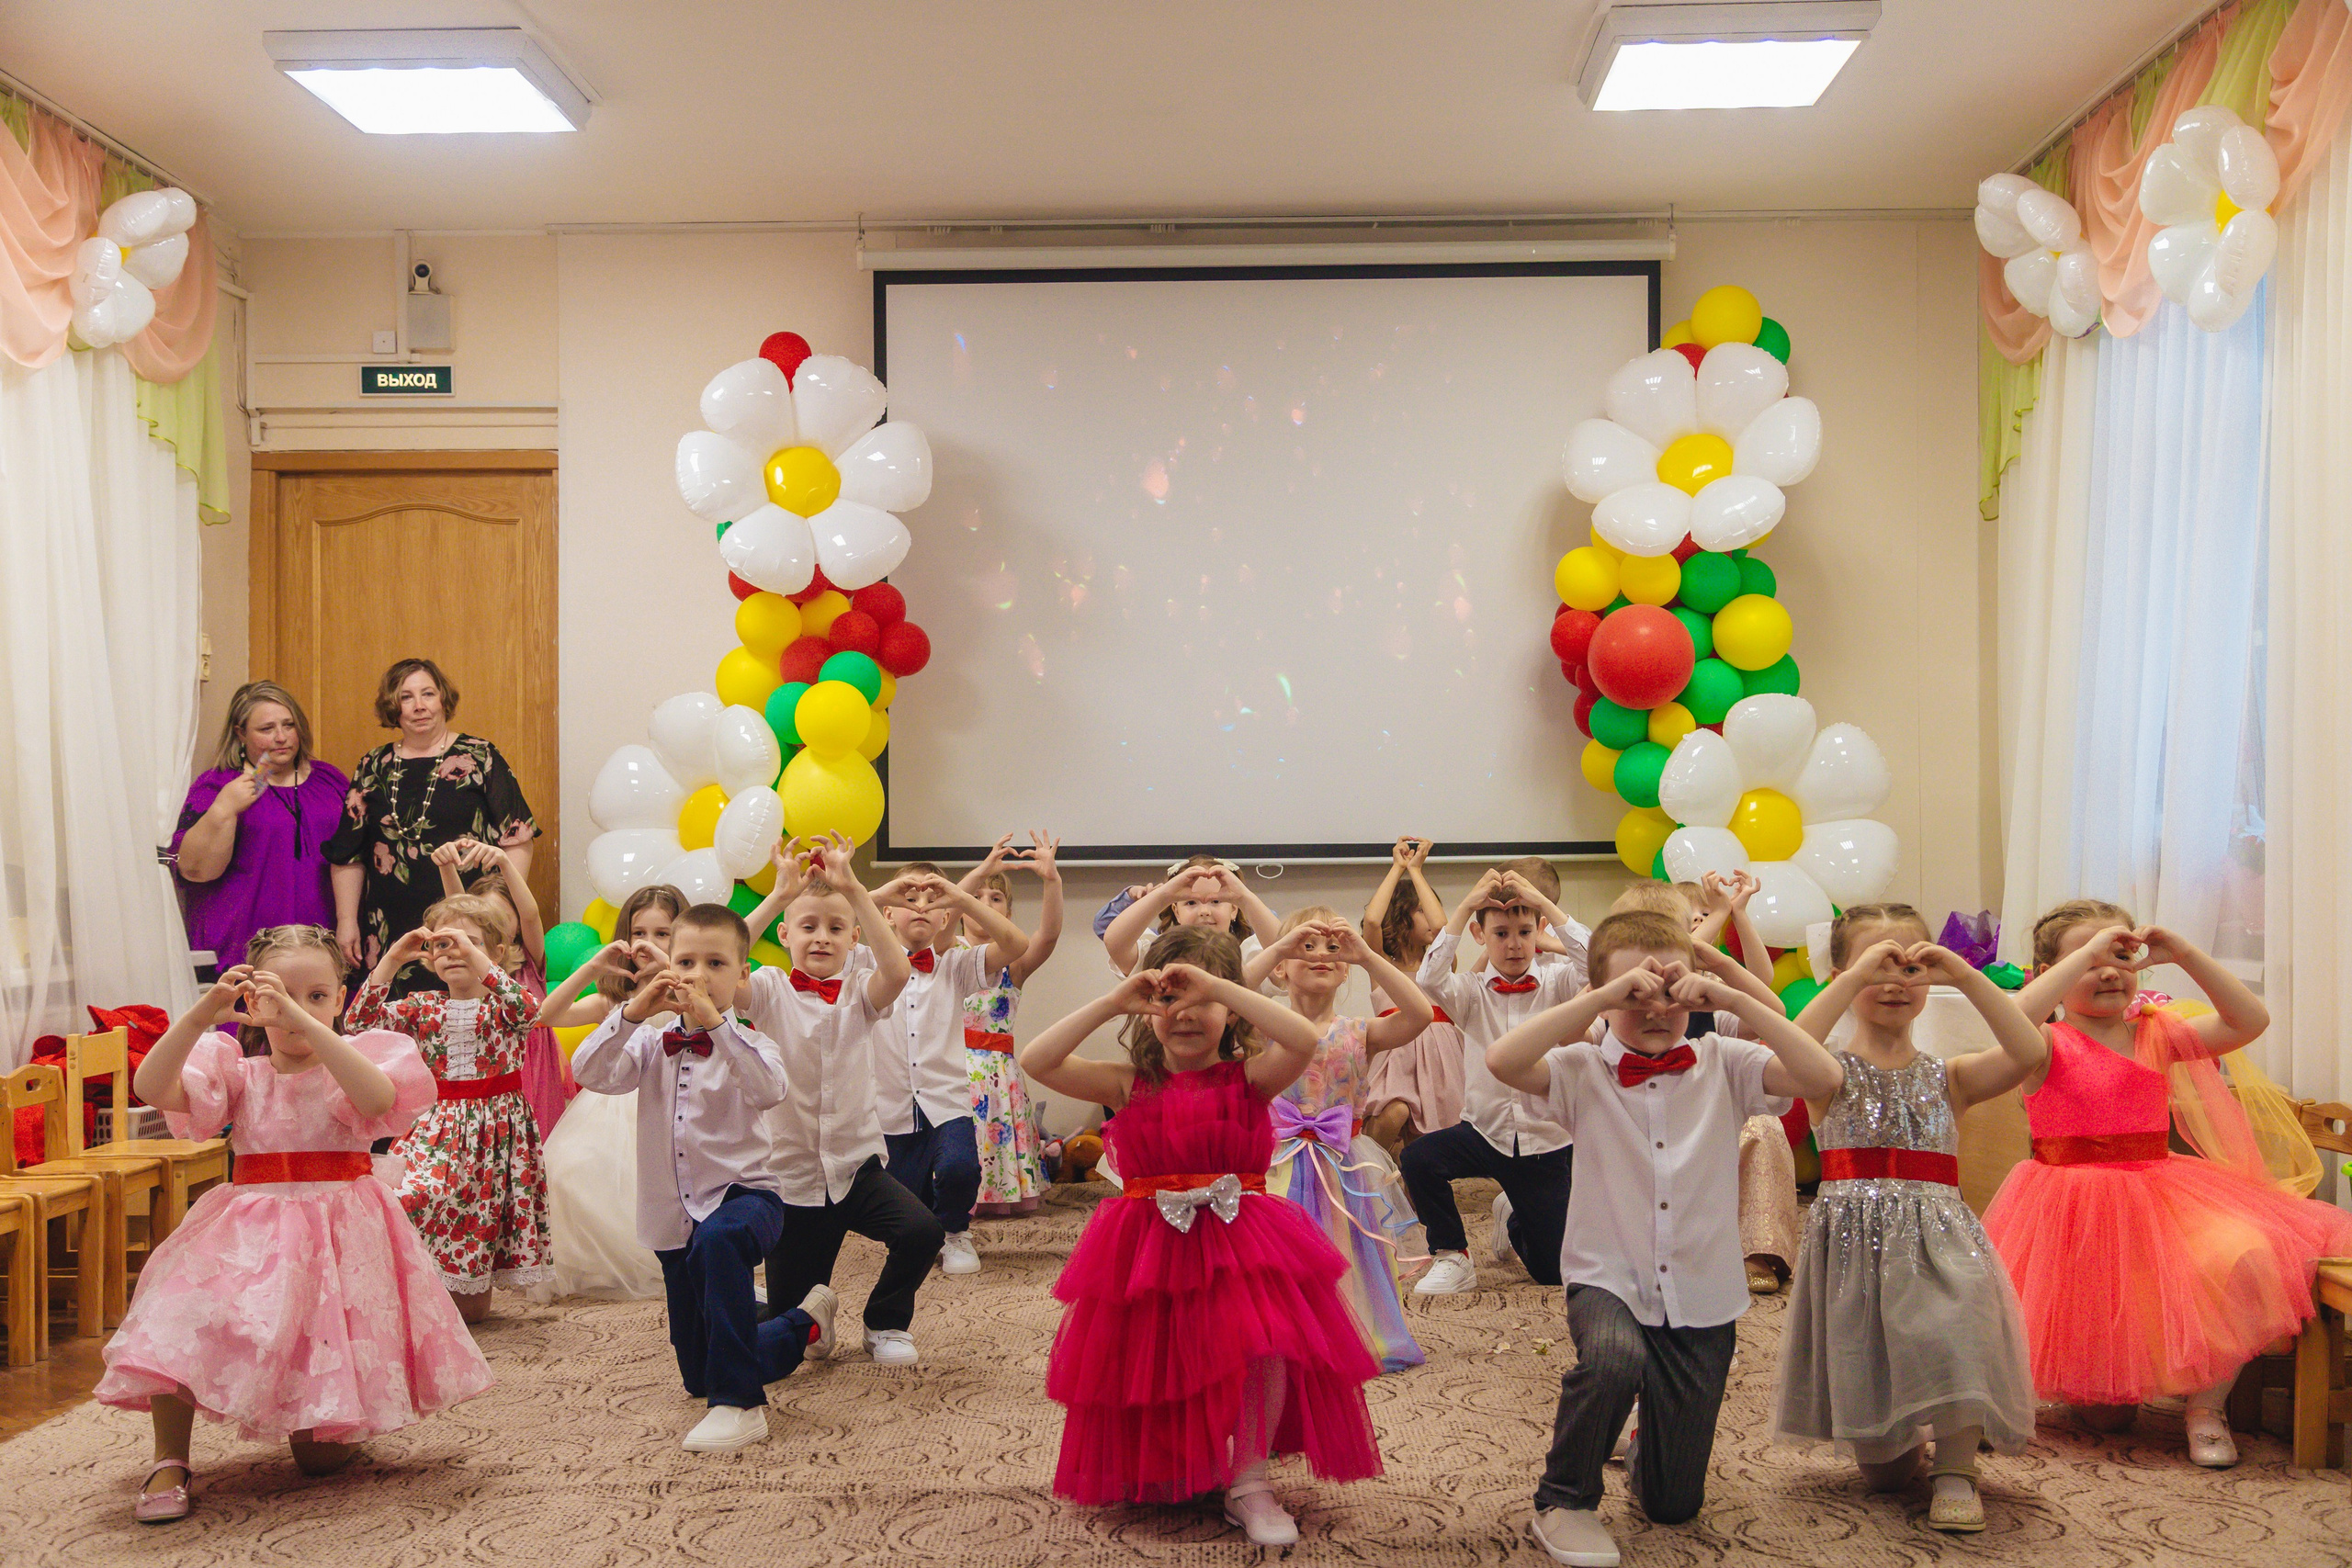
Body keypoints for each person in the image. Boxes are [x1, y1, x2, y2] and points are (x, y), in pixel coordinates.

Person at [95, 926, 492, 1524]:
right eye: (282, 997)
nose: (297, 1010)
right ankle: (169, 1458)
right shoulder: (240, 1071)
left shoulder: (357, 1060)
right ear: (254, 1002)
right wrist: (205, 1012)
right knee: (174, 1319)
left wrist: (307, 1024)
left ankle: (322, 1409)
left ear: (338, 999)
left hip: (336, 1237)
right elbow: (150, 1086)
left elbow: (377, 1095)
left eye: (317, 995)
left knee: (320, 1460)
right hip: (249, 1230)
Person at [1487, 909, 1843, 1568]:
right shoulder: (1581, 1067)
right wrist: (1598, 997)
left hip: (1702, 1288)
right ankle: (1563, 1497)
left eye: (1666, 991)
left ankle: (1648, 1443)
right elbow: (1504, 1059)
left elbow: (1823, 1079)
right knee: (1613, 1358)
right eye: (1633, 993)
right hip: (1608, 1272)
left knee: (1673, 1505)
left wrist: (1732, 996)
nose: (1652, 1007)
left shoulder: (1725, 1061)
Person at [1022, 926, 1382, 1546]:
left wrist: (1221, 983)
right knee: (1157, 1356)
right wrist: (1113, 1000)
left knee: (1257, 1346)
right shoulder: (1125, 1082)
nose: (1186, 1015)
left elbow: (1305, 1036)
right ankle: (1180, 1461)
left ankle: (1250, 1479)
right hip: (1146, 1247)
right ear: (1147, 1010)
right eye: (1170, 1001)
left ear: (1230, 1006)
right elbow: (1036, 1060)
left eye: (1204, 1002)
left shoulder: (1252, 1077)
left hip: (1242, 1236)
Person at [1983, 900, 2352, 1467]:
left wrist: (2185, 955)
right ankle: (2082, 1388)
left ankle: (2206, 1407)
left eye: (2122, 956)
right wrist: (2083, 953)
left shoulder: (2158, 1033)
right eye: (2090, 960)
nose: (2109, 969)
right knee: (2104, 1411)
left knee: (2249, 1254)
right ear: (2048, 976)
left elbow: (2248, 1020)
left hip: (2161, 1190)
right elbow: (2009, 1018)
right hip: (2069, 1202)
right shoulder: (2042, 1044)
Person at [1775, 904, 2041, 1534]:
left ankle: (1957, 1469)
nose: (1896, 980)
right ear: (1843, 973)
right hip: (1854, 1249)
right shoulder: (1827, 1073)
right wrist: (1847, 979)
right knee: (1886, 1472)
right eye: (1878, 965)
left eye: (1910, 965)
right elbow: (1788, 1051)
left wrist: (1962, 974)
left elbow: (2028, 1049)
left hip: (1940, 1241)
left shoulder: (1951, 1075)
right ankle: (1909, 1442)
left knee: (1958, 1328)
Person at [569, 903, 831, 1451]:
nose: (699, 974)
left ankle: (741, 1406)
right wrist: (635, 1011)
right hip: (672, 1215)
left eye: (717, 963)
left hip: (747, 1198)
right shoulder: (647, 1042)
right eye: (686, 961)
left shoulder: (755, 1043)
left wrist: (715, 1024)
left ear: (742, 976)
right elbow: (591, 1073)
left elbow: (768, 1091)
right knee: (697, 1371)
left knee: (719, 1240)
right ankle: (804, 1321)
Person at [741, 835, 933, 1366]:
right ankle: (804, 1314)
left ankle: (884, 1322)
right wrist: (779, 896)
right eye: (808, 927)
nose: (821, 938)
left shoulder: (861, 992)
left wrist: (855, 891)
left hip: (855, 1167)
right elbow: (725, 965)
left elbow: (898, 972)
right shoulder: (768, 987)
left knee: (922, 1231)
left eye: (834, 928)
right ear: (785, 935)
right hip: (793, 1176)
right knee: (789, 1331)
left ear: (853, 939)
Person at [346, 891, 552, 1320]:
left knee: (476, 1247)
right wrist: (392, 959)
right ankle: (410, 1291)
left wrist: (480, 960)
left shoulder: (504, 1007)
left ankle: (463, 1303)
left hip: (496, 1135)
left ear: (497, 953)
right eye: (443, 945)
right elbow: (357, 1023)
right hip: (437, 1129)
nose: (455, 952)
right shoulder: (423, 1007)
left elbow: (529, 1011)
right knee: (413, 1196)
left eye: (470, 942)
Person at [1244, 907, 1432, 1372]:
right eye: (1306, 947)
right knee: (1274, 1257)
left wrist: (1368, 954)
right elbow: (1226, 998)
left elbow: (1421, 1013)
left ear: (1345, 967)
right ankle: (1278, 1337)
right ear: (1281, 967)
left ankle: (1347, 1332)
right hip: (1272, 1161)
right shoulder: (1256, 1026)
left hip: (1340, 1163)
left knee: (1345, 1250)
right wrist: (1277, 950)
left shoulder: (1359, 1032)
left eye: (1332, 948)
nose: (1320, 955)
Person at [1401, 864, 1589, 1295]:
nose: (1514, 944)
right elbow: (1429, 977)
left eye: (1524, 932)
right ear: (1479, 934)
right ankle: (1453, 1255)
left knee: (1552, 1272)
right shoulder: (1469, 992)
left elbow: (1598, 962)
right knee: (1419, 1159)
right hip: (1484, 1132)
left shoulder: (1560, 983)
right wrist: (1468, 901)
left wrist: (1545, 907)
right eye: (1500, 933)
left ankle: (1512, 1213)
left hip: (1545, 1141)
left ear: (1538, 931)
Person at [1612, 874, 1801, 1296]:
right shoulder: (1611, 998)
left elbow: (1770, 1009)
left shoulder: (1704, 993)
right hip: (1632, 1120)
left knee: (1765, 1127)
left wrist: (1711, 957)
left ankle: (1757, 1250)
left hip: (1702, 1117)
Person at [325, 658, 538, 992]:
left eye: (428, 694)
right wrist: (346, 921)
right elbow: (348, 853)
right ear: (393, 706)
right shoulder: (373, 765)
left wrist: (502, 908)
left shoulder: (479, 756)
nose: (419, 706)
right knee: (394, 1023)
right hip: (389, 924)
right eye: (407, 697)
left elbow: (518, 835)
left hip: (467, 920)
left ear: (443, 700)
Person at [866, 852, 1030, 1278]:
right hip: (890, 1106)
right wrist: (883, 893)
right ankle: (931, 1231)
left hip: (947, 1099)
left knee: (960, 1168)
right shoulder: (866, 963)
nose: (920, 906)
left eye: (931, 901)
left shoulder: (957, 964)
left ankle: (957, 1231)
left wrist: (959, 895)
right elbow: (839, 919)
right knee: (906, 1203)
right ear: (886, 914)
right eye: (908, 899)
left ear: (945, 919)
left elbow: (1016, 945)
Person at [539, 884, 685, 1299]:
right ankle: (597, 1264)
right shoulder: (613, 998)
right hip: (610, 1101)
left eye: (663, 933)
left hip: (669, 1101)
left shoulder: (689, 990)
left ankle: (659, 1257)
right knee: (568, 1167)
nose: (650, 943)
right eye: (641, 933)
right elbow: (547, 1015)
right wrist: (591, 969)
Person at [169, 682, 351, 980]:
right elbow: (195, 870)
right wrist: (224, 809)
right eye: (266, 729)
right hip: (244, 949)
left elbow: (354, 855)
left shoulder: (329, 781)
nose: (281, 737)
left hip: (321, 943)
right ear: (241, 733)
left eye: (289, 725)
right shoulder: (218, 787)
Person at [432, 837, 571, 1138]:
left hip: (531, 1066)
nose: (491, 924)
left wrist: (505, 862)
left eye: (502, 918)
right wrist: (446, 868)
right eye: (483, 919)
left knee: (536, 1140)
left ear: (517, 925)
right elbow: (459, 917)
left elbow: (531, 913)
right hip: (489, 1068)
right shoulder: (475, 964)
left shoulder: (529, 960)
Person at [956, 829, 1064, 1218]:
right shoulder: (945, 955)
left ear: (1008, 914)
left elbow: (1048, 936)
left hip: (998, 1074)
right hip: (951, 1071)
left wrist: (1052, 881)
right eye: (976, 898)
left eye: (996, 898)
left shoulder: (1013, 964)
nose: (986, 904)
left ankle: (997, 1196)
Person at [1358, 834, 1463, 1156]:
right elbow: (1373, 921)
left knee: (1426, 1150)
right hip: (1397, 1057)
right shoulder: (1382, 968)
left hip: (1440, 1062)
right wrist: (1397, 868)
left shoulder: (1440, 967)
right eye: (1419, 910)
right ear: (1401, 917)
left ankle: (1411, 1185)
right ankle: (1373, 1172)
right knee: (1396, 1111)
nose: (1429, 918)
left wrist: (1417, 872)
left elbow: (1444, 929)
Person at [1096, 854, 1277, 975]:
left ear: (1234, 910)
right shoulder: (1157, 954)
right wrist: (1162, 896)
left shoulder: (1250, 955)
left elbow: (1284, 951)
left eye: (1216, 902)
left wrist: (1245, 897)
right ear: (1176, 911)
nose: (1204, 911)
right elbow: (1115, 943)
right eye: (1191, 902)